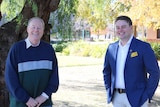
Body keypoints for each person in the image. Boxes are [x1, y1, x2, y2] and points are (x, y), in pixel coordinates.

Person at [102, 15, 160, 107]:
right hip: (117, 98)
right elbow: (106, 71)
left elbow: (155, 73)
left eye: (123, 27)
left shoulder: (143, 47)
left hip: (138, 98)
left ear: (131, 28)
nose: (120, 30)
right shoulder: (111, 48)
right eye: (117, 27)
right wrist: (109, 89)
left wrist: (147, 95)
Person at [5, 17, 59, 107]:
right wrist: (27, 99)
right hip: (20, 103)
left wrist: (43, 97)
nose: (36, 30)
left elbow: (54, 78)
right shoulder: (16, 49)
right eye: (33, 27)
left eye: (39, 28)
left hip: (43, 103)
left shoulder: (49, 50)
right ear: (27, 29)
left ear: (43, 30)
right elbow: (10, 79)